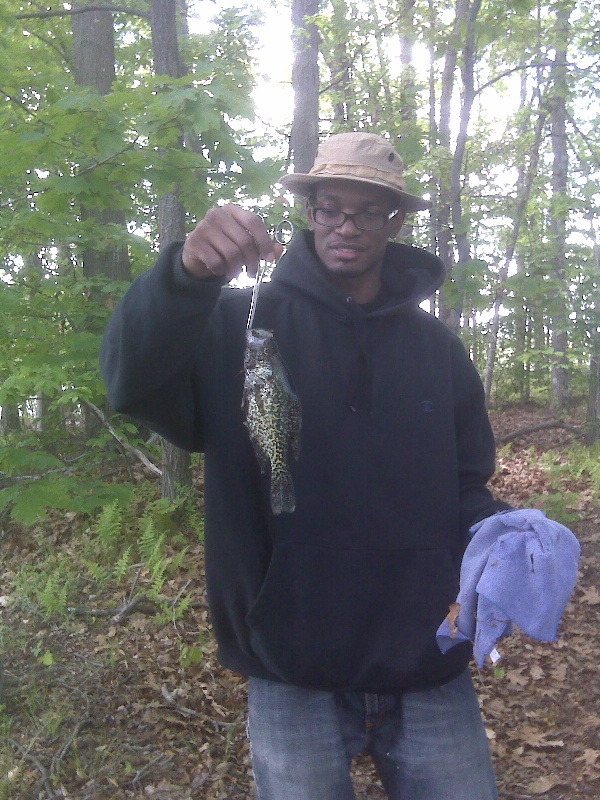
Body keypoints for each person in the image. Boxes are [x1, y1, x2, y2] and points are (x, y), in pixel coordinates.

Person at [100, 131, 511, 800]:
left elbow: (465, 483)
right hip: (291, 662)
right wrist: (184, 275)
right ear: (309, 211)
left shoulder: (438, 349)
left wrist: (503, 532)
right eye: (330, 206)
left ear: (393, 221)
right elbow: (130, 383)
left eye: (367, 210)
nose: (346, 225)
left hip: (427, 658)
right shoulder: (240, 325)